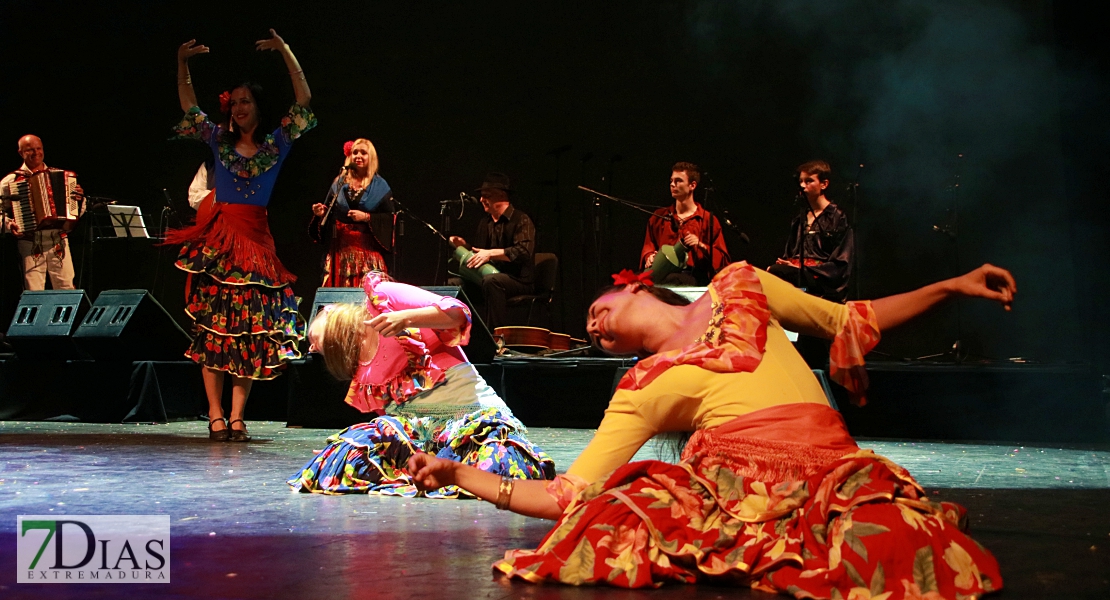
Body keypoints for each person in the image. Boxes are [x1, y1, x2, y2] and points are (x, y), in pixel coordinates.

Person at [405, 261, 1014, 596]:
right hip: (741, 493)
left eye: (597, 310)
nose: (594, 327)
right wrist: (460, 472)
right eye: (591, 329)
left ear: (635, 284)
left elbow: (847, 318)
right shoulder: (642, 385)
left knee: (894, 548)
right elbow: (568, 494)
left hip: (832, 470)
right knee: (614, 516)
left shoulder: (740, 285)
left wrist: (950, 286)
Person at [166, 31, 316, 442]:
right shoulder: (217, 140)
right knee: (215, 330)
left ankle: (236, 415)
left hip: (257, 243)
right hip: (221, 242)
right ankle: (214, 413)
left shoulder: (275, 145)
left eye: (245, 101)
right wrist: (182, 64)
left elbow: (303, 100)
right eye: (233, 102)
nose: (238, 107)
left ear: (257, 107)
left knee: (248, 332)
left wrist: (287, 52)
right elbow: (188, 105)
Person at [287, 271, 555, 497]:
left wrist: (404, 319)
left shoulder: (383, 298)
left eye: (315, 340)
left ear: (338, 330)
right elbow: (388, 421)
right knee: (344, 456)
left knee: (499, 465)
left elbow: (458, 314)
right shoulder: (362, 372)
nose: (311, 347)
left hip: (470, 417)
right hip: (419, 435)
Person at [448, 173, 535, 329]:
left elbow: (523, 252)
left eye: (486, 195)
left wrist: (490, 253)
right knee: (454, 284)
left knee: (492, 281)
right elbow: (480, 251)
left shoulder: (521, 219)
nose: (481, 199)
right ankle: (462, 333)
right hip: (488, 278)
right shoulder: (485, 223)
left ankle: (496, 337)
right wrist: (464, 246)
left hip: (518, 280)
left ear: (501, 195)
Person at [1, 135, 85, 291]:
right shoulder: (12, 180)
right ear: (20, 153)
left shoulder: (61, 175)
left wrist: (78, 201)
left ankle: (65, 317)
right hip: (30, 242)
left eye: (38, 148)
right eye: (30, 150)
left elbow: (76, 211)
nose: (36, 152)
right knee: (34, 291)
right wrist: (8, 223)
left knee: (66, 289)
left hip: (58, 240)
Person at [309, 138, 395, 286]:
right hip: (339, 251)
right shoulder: (339, 183)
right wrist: (321, 213)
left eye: (363, 153)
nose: (358, 156)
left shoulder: (380, 186)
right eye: (355, 152)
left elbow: (390, 218)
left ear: (371, 157)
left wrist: (367, 217)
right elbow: (329, 211)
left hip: (367, 252)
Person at [769, 160, 853, 303]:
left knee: (779, 273)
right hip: (796, 276)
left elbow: (841, 263)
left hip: (822, 280)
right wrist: (786, 263)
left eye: (808, 181)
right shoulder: (799, 219)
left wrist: (803, 268)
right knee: (770, 274)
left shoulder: (838, 217)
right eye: (801, 181)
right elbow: (790, 253)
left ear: (824, 184)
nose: (802, 186)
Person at [640, 162, 730, 285]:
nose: (672, 184)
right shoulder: (659, 217)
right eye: (671, 180)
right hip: (662, 275)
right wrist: (649, 256)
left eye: (678, 181)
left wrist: (701, 245)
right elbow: (649, 245)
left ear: (692, 185)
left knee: (679, 280)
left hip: (693, 278)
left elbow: (722, 258)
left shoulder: (708, 219)